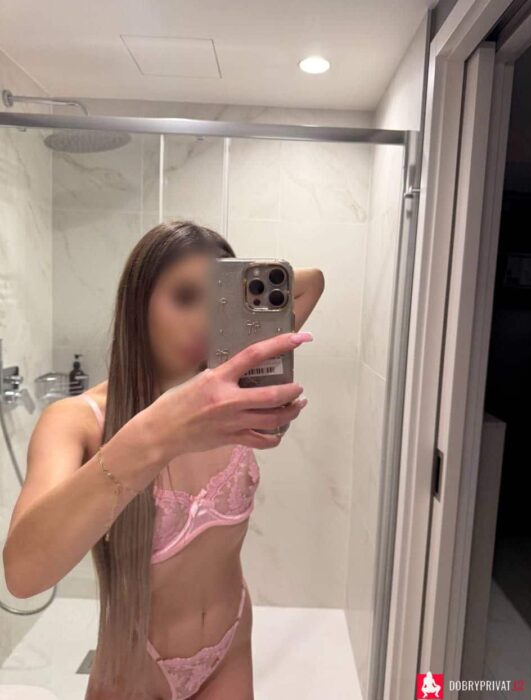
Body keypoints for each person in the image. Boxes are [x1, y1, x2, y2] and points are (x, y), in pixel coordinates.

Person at [3, 221, 324, 700]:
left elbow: (312, 282)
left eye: (216, 302)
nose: (203, 321)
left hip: (230, 643)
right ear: (139, 301)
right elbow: (23, 573)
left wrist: (242, 298)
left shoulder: (229, 388)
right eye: (185, 297)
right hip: (136, 665)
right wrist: (157, 435)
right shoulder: (78, 420)